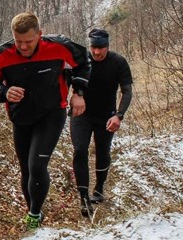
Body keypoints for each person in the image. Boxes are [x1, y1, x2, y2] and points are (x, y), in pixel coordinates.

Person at [0, 12, 91, 230]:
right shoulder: (2, 54)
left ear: (40, 34)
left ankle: (34, 214)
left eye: (28, 41)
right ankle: (35, 218)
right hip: (21, 117)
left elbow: (83, 62)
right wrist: (4, 91)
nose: (23, 46)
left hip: (51, 114)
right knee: (27, 170)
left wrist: (78, 92)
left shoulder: (58, 46)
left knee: (37, 164)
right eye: (18, 41)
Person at [69, 28, 133, 217]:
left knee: (102, 150)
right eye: (93, 47)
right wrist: (72, 97)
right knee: (80, 150)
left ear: (107, 46)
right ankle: (83, 197)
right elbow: (65, 81)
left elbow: (127, 91)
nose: (97, 52)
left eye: (101, 48)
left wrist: (119, 115)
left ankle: (99, 188)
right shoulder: (81, 61)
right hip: (81, 114)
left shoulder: (118, 62)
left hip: (106, 115)